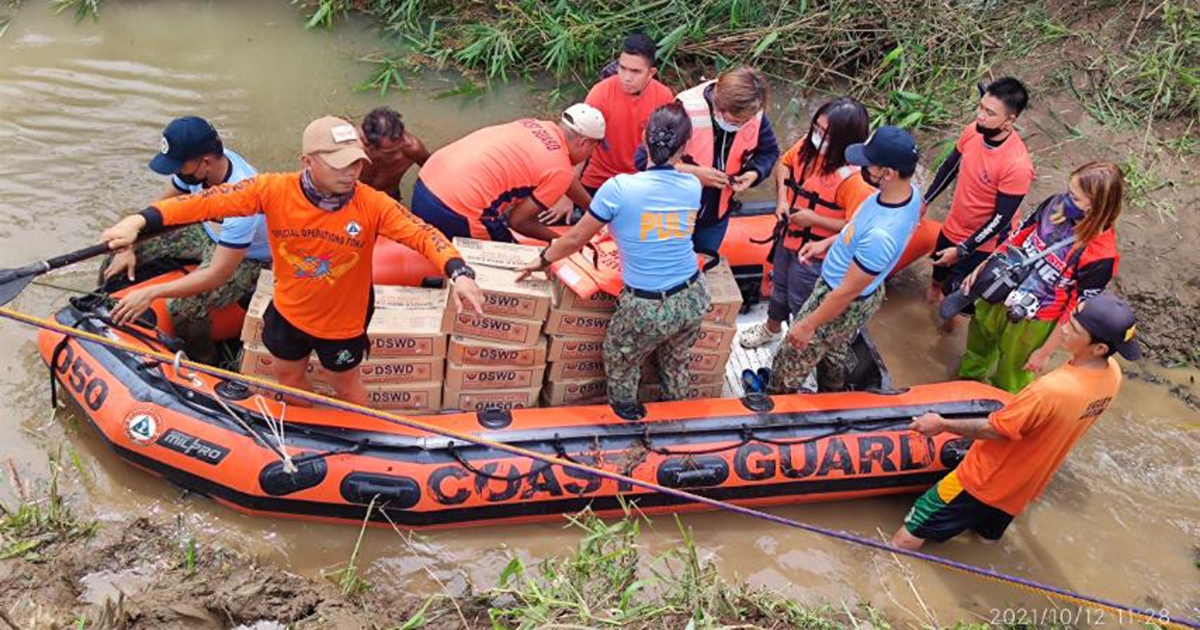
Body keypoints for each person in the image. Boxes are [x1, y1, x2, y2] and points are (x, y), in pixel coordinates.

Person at [101, 116, 485, 406]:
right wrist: (140, 220)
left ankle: (358, 435)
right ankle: (307, 424)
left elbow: (422, 234)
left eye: (356, 163)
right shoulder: (272, 190)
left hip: (344, 323)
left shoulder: (372, 204)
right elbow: (203, 203)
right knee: (287, 374)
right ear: (308, 162)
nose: (352, 172)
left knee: (346, 383)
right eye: (340, 164)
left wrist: (459, 270)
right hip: (289, 311)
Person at [893, 292, 1138, 550]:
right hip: (1024, 485)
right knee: (985, 540)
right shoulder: (1112, 375)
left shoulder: (1052, 390)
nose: (1063, 329)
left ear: (1099, 348)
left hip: (982, 480)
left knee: (910, 531)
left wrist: (941, 423)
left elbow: (997, 429)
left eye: (1074, 328)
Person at [517, 103, 705, 420]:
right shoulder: (693, 185)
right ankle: (678, 419)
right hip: (693, 296)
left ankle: (627, 418)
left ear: (643, 140)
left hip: (648, 307)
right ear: (685, 147)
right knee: (675, 361)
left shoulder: (618, 188)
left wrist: (541, 260)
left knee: (621, 359)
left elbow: (576, 239)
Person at [765, 126, 922, 394]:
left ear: (888, 173)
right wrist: (827, 243)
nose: (861, 167)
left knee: (790, 357)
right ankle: (833, 393)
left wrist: (807, 324)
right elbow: (856, 228)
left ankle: (775, 401)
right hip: (856, 290)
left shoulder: (881, 235)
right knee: (834, 348)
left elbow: (846, 291)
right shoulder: (909, 194)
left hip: (840, 294)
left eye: (869, 164)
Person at [103, 116, 270, 365]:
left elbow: (216, 275)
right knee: (115, 256)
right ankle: (112, 314)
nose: (176, 172)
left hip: (247, 256)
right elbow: (163, 208)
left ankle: (206, 362)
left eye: (180, 166)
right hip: (206, 232)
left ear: (206, 162)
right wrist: (130, 244)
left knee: (184, 308)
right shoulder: (198, 171)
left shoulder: (244, 202)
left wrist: (150, 293)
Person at [954, 161, 1123, 393]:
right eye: (1068, 190)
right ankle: (963, 386)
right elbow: (1019, 235)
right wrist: (984, 266)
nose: (1066, 199)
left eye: (1075, 198)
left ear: (1096, 206)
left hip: (1034, 320)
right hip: (1001, 288)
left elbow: (1074, 309)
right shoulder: (1053, 204)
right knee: (978, 345)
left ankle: (999, 411)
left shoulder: (1100, 255)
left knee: (1012, 375)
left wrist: (1044, 352)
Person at [740, 97, 875, 349]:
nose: (816, 135)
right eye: (816, 128)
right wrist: (782, 201)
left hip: (816, 254)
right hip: (788, 238)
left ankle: (797, 342)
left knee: (801, 298)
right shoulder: (808, 147)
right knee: (778, 285)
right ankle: (771, 328)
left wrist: (815, 219)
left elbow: (859, 228)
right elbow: (784, 164)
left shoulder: (855, 181)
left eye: (825, 133)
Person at [410, 104, 605, 243]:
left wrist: (596, 211)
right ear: (584, 143)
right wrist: (567, 241)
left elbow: (566, 178)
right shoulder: (559, 169)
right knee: (511, 262)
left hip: (424, 185)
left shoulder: (534, 124)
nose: (591, 154)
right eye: (594, 149)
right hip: (455, 211)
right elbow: (518, 222)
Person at [923, 78, 1034, 318]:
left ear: (1010, 120)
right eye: (981, 107)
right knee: (936, 278)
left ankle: (946, 325)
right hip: (954, 224)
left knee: (956, 297)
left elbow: (1001, 219)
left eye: (989, 113)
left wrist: (963, 249)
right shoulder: (973, 130)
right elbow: (950, 167)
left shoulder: (1016, 165)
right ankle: (930, 309)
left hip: (984, 241)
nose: (980, 115)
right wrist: (926, 200)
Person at [637, 66, 780, 252]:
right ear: (719, 108)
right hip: (673, 215)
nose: (743, 125)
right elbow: (642, 160)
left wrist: (754, 173)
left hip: (715, 218)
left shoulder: (753, 112)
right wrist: (694, 173)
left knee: (705, 264)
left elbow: (769, 152)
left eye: (747, 120)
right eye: (736, 121)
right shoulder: (684, 111)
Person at [579, 33, 675, 195]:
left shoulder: (664, 97)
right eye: (622, 68)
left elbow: (666, 148)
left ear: (651, 73)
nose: (626, 78)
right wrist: (567, 194)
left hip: (643, 180)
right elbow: (580, 142)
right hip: (600, 179)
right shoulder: (600, 93)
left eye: (635, 71)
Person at [357, 106, 431, 201]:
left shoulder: (412, 149)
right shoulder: (352, 141)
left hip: (387, 196)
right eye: (386, 152)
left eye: (394, 150)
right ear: (368, 143)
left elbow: (432, 171)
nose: (392, 154)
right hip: (353, 193)